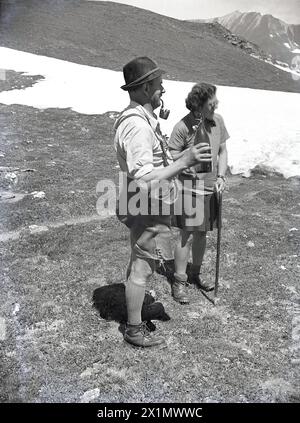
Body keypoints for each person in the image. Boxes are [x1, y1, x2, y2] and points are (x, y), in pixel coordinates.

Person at [114, 58, 212, 348]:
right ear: (145, 88)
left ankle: (136, 310)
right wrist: (184, 161)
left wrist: (156, 115)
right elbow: (144, 178)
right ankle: (134, 328)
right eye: (158, 86)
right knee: (143, 266)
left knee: (139, 259)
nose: (163, 90)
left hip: (142, 201)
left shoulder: (140, 117)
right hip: (146, 202)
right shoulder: (137, 127)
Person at [168, 83, 229, 303]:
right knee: (187, 234)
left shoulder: (218, 121)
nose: (216, 105)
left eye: (215, 102)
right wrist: (186, 158)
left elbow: (222, 151)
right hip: (188, 189)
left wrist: (221, 177)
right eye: (211, 103)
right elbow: (172, 155)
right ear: (198, 105)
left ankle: (195, 273)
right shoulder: (182, 127)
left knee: (202, 234)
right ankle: (179, 281)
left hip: (210, 187)